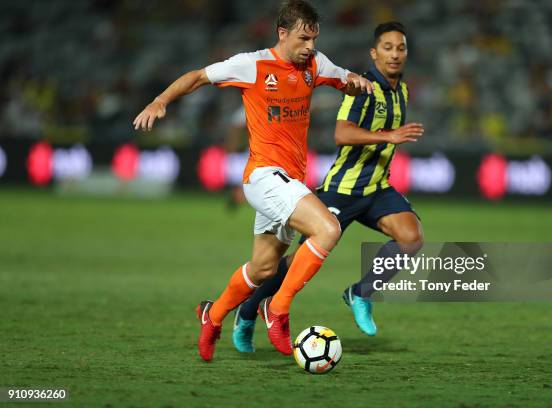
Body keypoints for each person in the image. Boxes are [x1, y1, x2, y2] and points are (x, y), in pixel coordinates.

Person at [133, 0, 373, 362]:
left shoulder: (314, 64)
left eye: (314, 38)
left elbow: (345, 81)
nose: (310, 46)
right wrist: (160, 100)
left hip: (289, 180)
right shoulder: (252, 64)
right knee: (328, 229)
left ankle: (212, 317)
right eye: (304, 38)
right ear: (282, 33)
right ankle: (277, 309)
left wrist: (356, 83)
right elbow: (198, 76)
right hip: (263, 176)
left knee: (262, 267)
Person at [232, 22, 424, 353]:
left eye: (401, 48)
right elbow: (342, 133)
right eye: (388, 47)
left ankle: (360, 293)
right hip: (342, 190)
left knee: (411, 238)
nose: (395, 54)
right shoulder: (364, 89)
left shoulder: (401, 91)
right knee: (295, 263)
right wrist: (387, 136)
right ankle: (248, 311)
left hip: (376, 187)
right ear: (374, 53)